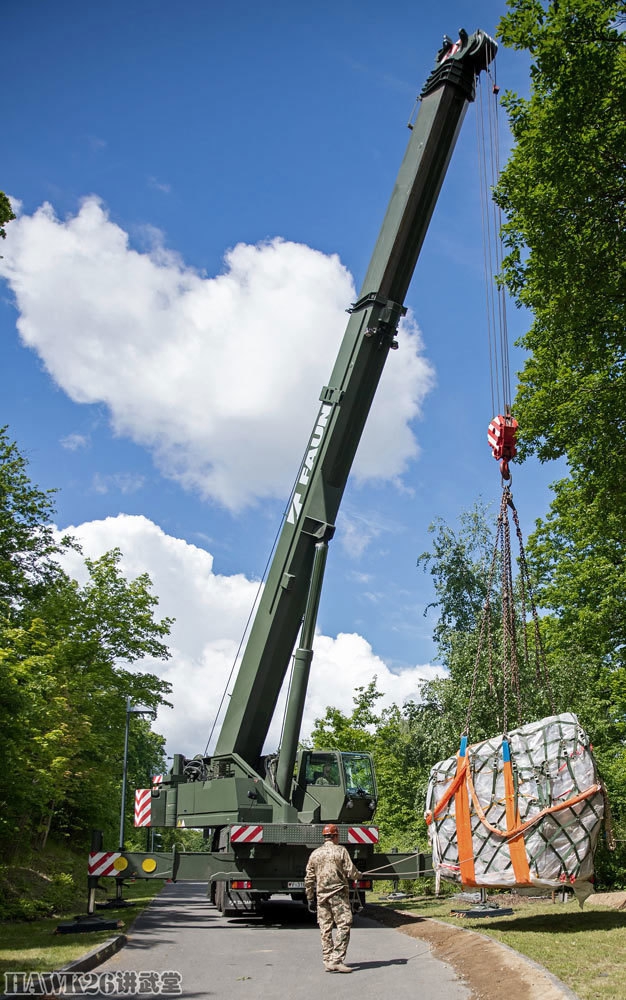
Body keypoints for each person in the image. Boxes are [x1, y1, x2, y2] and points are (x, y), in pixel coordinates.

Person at [304, 823, 361, 973]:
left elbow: (309, 878)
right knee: (344, 924)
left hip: (321, 896)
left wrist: (310, 897)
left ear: (324, 837)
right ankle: (337, 959)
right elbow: (351, 871)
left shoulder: (315, 854)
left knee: (325, 927)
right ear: (335, 836)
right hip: (339, 895)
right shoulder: (341, 851)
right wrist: (359, 875)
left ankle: (328, 959)